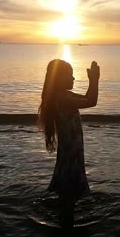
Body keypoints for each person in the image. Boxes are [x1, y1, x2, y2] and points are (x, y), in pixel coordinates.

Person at [37, 59, 100, 227]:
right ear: (58, 78)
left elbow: (88, 98)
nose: (73, 78)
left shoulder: (62, 95)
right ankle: (66, 227)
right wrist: (94, 80)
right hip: (71, 155)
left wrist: (93, 80)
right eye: (70, 75)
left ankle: (64, 222)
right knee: (69, 194)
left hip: (71, 153)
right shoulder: (62, 97)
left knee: (67, 194)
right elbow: (91, 101)